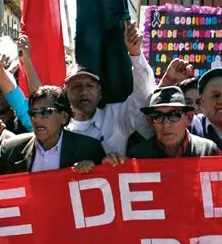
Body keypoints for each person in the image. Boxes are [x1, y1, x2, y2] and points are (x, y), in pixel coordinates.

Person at [64, 22, 155, 155]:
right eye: (76, 86)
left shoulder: (117, 115)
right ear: (66, 92)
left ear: (100, 92)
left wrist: (135, 54)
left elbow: (143, 95)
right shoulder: (60, 130)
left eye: (90, 86)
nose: (84, 91)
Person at [0, 86, 107, 174]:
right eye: (33, 113)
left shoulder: (89, 149)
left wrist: (93, 171)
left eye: (45, 112)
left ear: (64, 116)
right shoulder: (11, 149)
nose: (37, 119)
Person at [128, 87, 219, 159]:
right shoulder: (138, 156)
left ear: (189, 118)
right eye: (157, 116)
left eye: (174, 115)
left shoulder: (207, 150)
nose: (166, 124)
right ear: (150, 121)